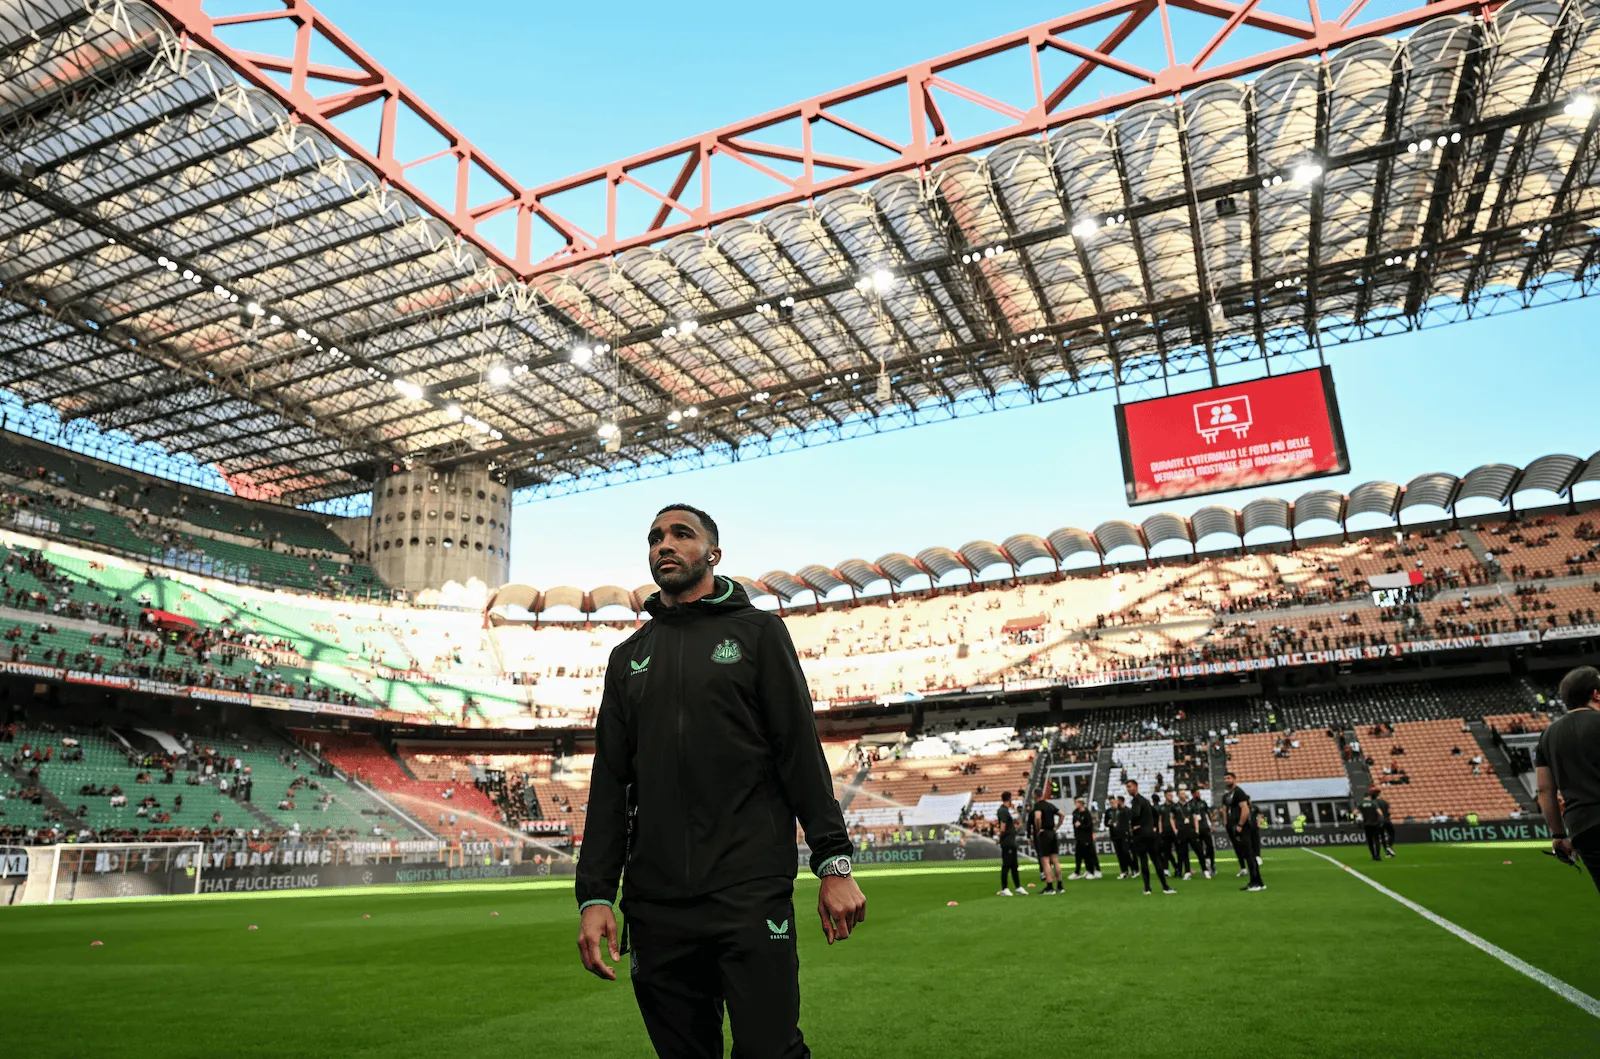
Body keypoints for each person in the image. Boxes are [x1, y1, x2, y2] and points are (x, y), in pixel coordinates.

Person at [576, 504, 866, 1059]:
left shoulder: (758, 633)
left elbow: (799, 753)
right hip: (656, 903)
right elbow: (609, 786)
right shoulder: (627, 658)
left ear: (713, 554)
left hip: (748, 888)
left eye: (681, 534)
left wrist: (833, 861)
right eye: (655, 537)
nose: (664, 544)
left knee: (770, 1051)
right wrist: (595, 895)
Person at [1536, 666, 1600, 894]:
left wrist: (1558, 835)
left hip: (1583, 827)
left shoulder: (1547, 735)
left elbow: (1544, 790)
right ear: (1596, 694)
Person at [1125, 779, 1175, 895]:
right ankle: (1165, 886)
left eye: (1129, 786)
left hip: (1140, 835)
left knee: (1143, 861)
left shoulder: (1136, 801)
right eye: (1127, 787)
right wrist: (1153, 827)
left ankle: (1147, 888)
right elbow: (1156, 815)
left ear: (1136, 787)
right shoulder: (1146, 801)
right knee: (1156, 860)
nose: (1128, 789)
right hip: (1150, 834)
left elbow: (1135, 814)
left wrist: (1134, 824)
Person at [1223, 772, 1265, 892]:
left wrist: (1240, 825)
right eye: (1225, 778)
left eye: (1229, 778)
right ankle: (1259, 882)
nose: (1226, 780)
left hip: (1244, 827)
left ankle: (1255, 882)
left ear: (1234, 779)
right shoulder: (1230, 794)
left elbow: (1245, 809)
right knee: (1248, 855)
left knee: (1249, 855)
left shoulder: (1239, 792)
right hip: (1239, 827)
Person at [1032, 790, 1064, 892]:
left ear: (1035, 796)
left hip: (1044, 833)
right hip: (1052, 833)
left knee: (1045, 860)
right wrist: (1056, 827)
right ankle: (1060, 885)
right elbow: (1062, 815)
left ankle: (1050, 886)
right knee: (1055, 859)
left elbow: (1038, 817)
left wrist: (1038, 828)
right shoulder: (1050, 805)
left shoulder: (1038, 806)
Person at [997, 790, 1026, 896]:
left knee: (1014, 865)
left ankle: (1018, 887)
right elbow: (1003, 827)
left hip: (1011, 841)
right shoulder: (1003, 810)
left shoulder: (1005, 810)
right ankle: (1004, 888)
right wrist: (1000, 838)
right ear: (1009, 798)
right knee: (1006, 865)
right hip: (1007, 842)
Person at [1069, 796, 1100, 880]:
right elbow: (1074, 823)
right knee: (1078, 855)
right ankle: (1077, 872)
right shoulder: (1075, 812)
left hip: (1086, 838)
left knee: (1088, 855)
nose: (1076, 804)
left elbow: (1089, 825)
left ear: (1081, 804)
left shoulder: (1087, 813)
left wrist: (1081, 826)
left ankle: (1091, 871)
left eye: (1077, 803)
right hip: (1078, 837)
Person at [1188, 789, 1216, 878]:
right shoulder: (1189, 804)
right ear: (1193, 794)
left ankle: (1212, 865)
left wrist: (1212, 824)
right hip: (1196, 829)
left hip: (1205, 827)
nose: (1198, 794)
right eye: (1197, 793)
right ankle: (1204, 867)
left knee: (1210, 846)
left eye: (1199, 793)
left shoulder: (1203, 803)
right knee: (1199, 849)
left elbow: (1208, 813)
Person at [1108, 794, 1136, 879]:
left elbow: (1128, 822)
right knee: (1120, 854)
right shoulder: (1111, 811)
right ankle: (1124, 871)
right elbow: (1108, 822)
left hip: (1124, 835)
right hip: (1115, 835)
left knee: (1126, 852)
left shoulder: (1124, 810)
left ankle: (1133, 868)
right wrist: (1110, 823)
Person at [1356, 787, 1385, 862]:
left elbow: (1354, 813)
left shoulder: (1361, 804)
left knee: (1370, 841)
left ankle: (1373, 855)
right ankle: (1378, 856)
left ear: (1364, 797)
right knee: (1377, 840)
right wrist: (1380, 821)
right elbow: (1380, 814)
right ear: (1369, 797)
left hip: (1366, 824)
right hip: (1375, 824)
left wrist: (1354, 819)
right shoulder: (1374, 803)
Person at [1375, 790, 1396, 858]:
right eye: (1382, 794)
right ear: (1379, 794)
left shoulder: (1374, 803)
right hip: (1387, 820)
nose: (1383, 795)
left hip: (1379, 822)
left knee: (1382, 836)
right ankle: (1389, 846)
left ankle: (1387, 853)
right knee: (1392, 834)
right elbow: (1389, 812)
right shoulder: (1385, 802)